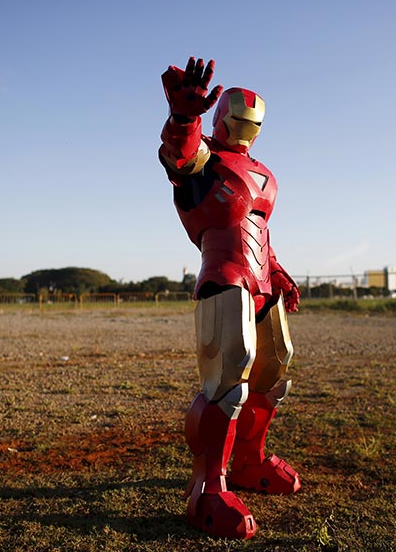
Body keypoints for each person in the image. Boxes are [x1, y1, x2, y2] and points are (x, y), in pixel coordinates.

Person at [158, 56, 301, 539]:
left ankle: (248, 461)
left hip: (261, 280)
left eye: (253, 123)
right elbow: (179, 157)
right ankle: (207, 488)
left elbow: (260, 227)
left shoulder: (260, 172)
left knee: (275, 370)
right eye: (239, 120)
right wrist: (183, 118)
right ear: (222, 119)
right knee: (226, 379)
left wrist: (278, 271)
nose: (247, 129)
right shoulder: (206, 160)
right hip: (224, 275)